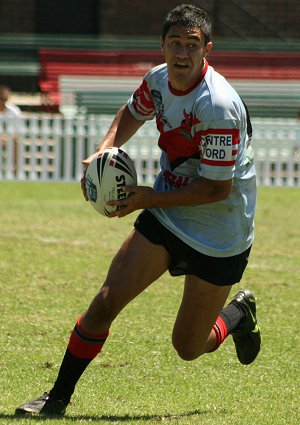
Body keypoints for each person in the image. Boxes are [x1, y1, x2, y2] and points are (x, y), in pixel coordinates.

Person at [16, 4, 261, 417]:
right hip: (168, 214)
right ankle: (55, 398)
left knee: (188, 347)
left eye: (192, 45)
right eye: (175, 43)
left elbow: (216, 189)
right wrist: (104, 151)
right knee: (105, 303)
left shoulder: (218, 105)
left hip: (221, 232)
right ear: (163, 46)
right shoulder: (159, 80)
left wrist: (147, 197)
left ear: (207, 50)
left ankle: (237, 314)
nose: (182, 53)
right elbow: (133, 111)